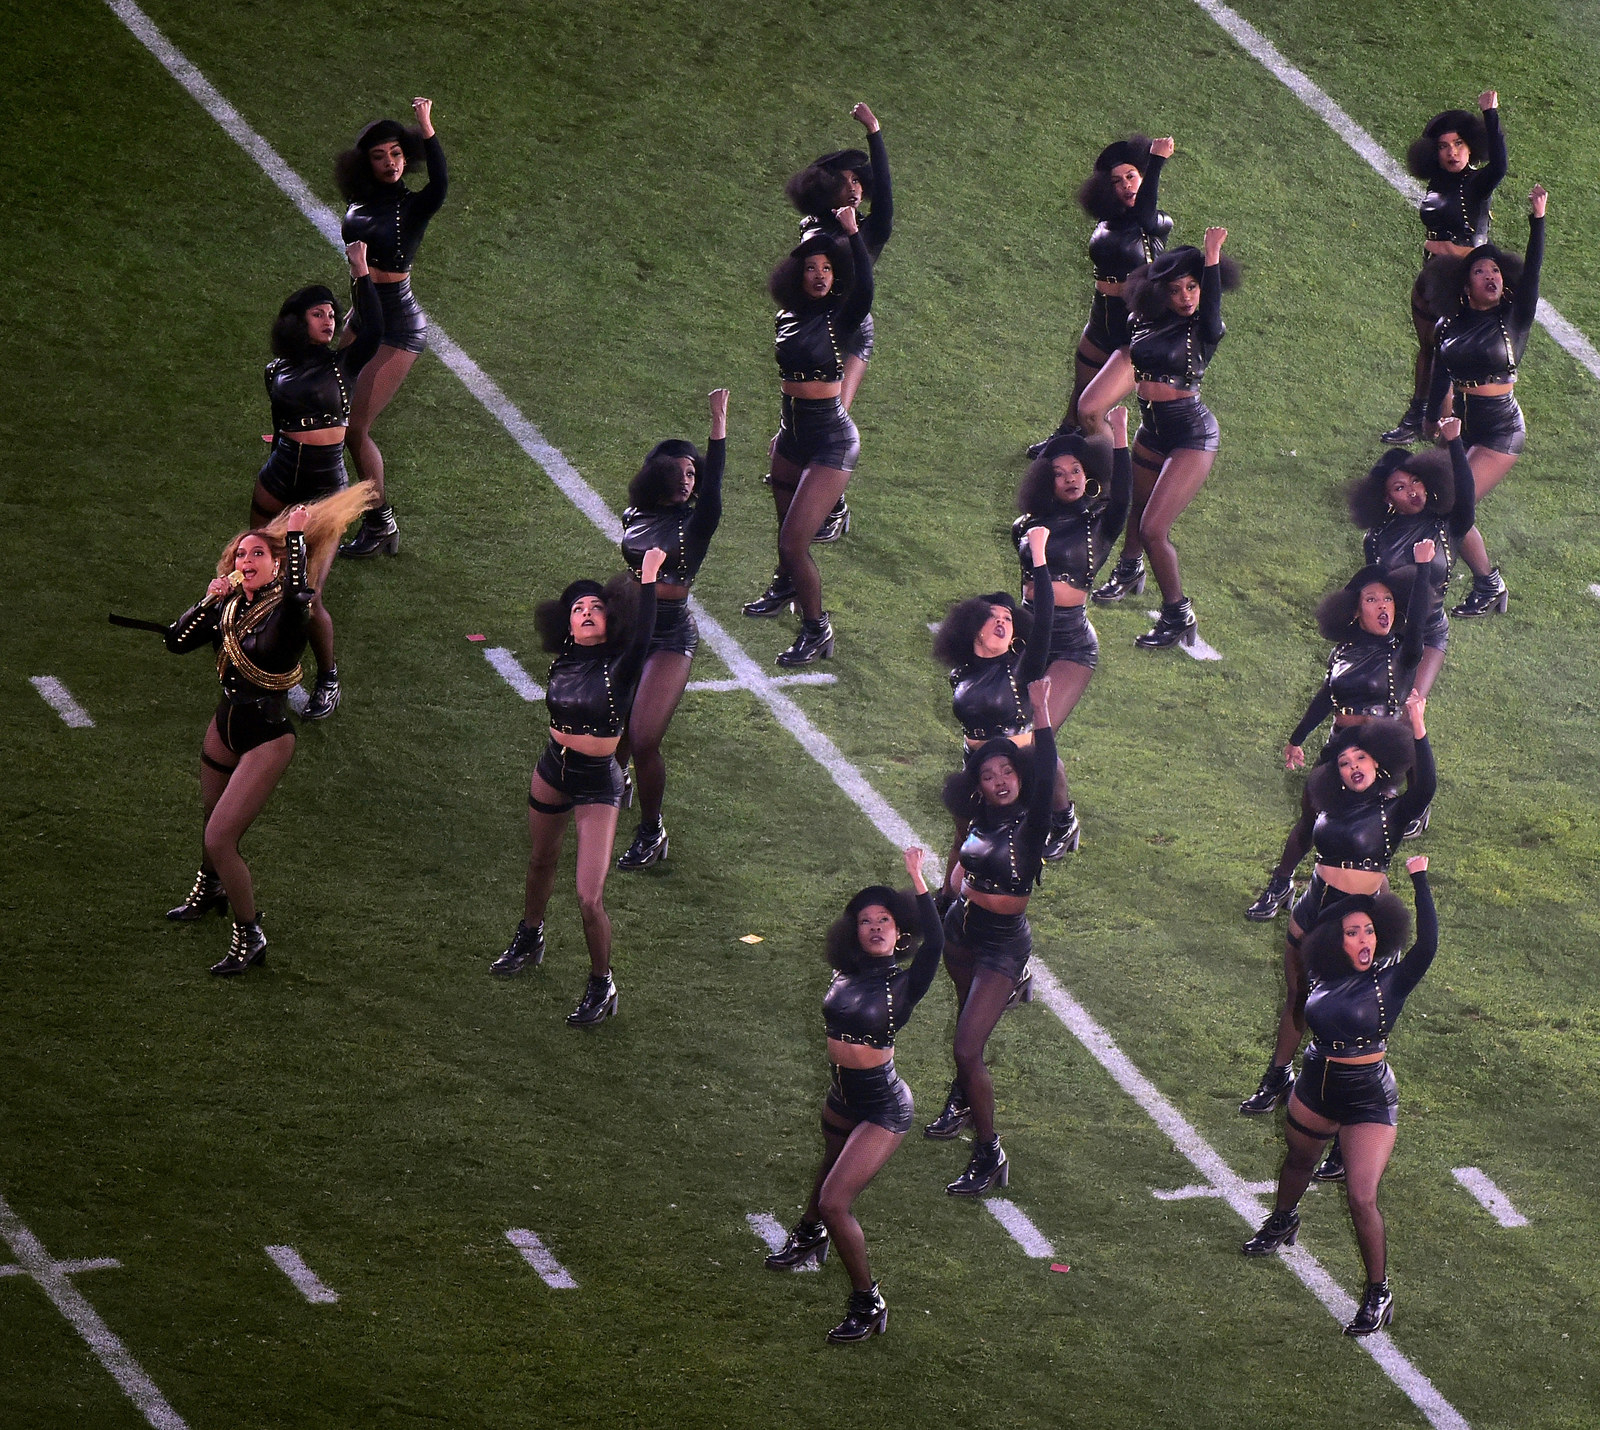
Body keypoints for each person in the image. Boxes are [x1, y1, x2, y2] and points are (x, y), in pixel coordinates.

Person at [163, 485, 376, 973]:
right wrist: (207, 598)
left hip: (267, 736)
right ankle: (210, 888)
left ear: (276, 564)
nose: (248, 558)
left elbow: (303, 595)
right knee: (210, 817)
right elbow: (176, 642)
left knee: (221, 838)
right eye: (242, 553)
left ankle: (250, 934)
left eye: (259, 552)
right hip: (225, 724)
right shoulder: (230, 605)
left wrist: (297, 540)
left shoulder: (287, 610)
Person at [1243, 857, 1438, 1338]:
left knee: (1361, 1196)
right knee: (1296, 1163)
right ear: (1336, 940)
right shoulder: (1323, 976)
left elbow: (1428, 944)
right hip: (1316, 1083)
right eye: (1353, 932)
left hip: (1368, 1098)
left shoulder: (1391, 981)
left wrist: (1419, 879)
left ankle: (1378, 1291)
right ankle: (1282, 1221)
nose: (1364, 940)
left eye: (1369, 931)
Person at [763, 847, 941, 1344]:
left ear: (900, 932)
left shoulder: (903, 986)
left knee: (836, 1200)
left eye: (885, 919)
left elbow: (937, 944)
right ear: (854, 932)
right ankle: (808, 1234)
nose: (876, 926)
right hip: (841, 1093)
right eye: (866, 921)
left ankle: (869, 1302)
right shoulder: (845, 973)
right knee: (826, 1169)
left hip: (883, 1106)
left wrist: (918, 880)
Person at [490, 547, 667, 1024]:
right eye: (577, 609)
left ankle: (601, 983)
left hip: (597, 783)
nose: (586, 612)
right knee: (539, 860)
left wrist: (649, 580)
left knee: (589, 898)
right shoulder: (563, 660)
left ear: (611, 620)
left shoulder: (622, 667)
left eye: (595, 607)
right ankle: (530, 935)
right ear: (566, 625)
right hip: (553, 768)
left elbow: (647, 632)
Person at [1240, 690, 1434, 1117]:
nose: (1353, 768)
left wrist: (1417, 726)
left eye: (1361, 759)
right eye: (1345, 763)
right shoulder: (1329, 803)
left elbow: (1426, 789)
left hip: (1359, 922)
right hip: (1312, 908)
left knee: (1353, 1018)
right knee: (1298, 996)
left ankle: (1355, 1117)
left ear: (1379, 762)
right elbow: (1308, 835)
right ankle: (1278, 1076)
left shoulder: (1393, 812)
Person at [1245, 542, 1434, 924]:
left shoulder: (1404, 651)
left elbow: (1418, 624)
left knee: (1370, 841)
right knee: (1311, 819)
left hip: (1379, 752)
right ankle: (1281, 885)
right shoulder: (1343, 651)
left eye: (1387, 599)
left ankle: (1380, 922)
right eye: (1371, 599)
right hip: (1338, 746)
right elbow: (1326, 697)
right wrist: (1297, 738)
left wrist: (1424, 568)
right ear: (1355, 609)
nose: (1383, 606)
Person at [1078, 229, 1239, 646]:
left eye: (1193, 287)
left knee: (1153, 529)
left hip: (1191, 435)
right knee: (1134, 507)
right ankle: (1129, 571)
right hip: (1153, 429)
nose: (1187, 297)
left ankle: (1177, 615)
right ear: (1159, 293)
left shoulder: (1206, 328)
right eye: (1176, 290)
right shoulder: (1143, 322)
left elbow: (1213, 303)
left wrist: (1212, 257)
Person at [931, 678, 1055, 1192]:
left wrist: (1042, 709)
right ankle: (963, 1100)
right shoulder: (979, 816)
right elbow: (962, 863)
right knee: (965, 1024)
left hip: (1003, 942)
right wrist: (941, 900)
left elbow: (1045, 766)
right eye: (989, 774)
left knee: (965, 1047)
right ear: (977, 784)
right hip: (962, 928)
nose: (1000, 779)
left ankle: (989, 1153)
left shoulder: (1032, 822)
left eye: (1007, 771)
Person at [741, 207, 874, 665]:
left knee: (794, 543)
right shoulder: (785, 315)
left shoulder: (842, 315)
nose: (819, 275)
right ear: (798, 273)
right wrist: (782, 435)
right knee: (784, 531)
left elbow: (866, 287)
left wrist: (854, 234)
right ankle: (783, 586)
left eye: (827, 268)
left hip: (831, 440)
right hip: (792, 431)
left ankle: (817, 629)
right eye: (812, 267)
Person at [256, 243, 382, 719]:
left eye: (333, 313)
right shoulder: (275, 371)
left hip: (326, 494)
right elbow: (278, 432)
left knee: (306, 596)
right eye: (318, 313)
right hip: (277, 481)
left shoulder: (342, 363)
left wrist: (360, 271)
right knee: (257, 568)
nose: (329, 320)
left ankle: (328, 678)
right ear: (297, 321)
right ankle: (255, 648)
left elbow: (372, 326)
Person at [614, 389, 729, 869]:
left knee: (643, 738)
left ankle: (651, 830)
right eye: (678, 471)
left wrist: (718, 425)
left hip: (670, 638)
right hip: (629, 626)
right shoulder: (636, 515)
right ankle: (610, 785)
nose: (687, 480)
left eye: (692, 473)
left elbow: (716, 485)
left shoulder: (696, 522)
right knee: (611, 721)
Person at [1421, 184, 1547, 616]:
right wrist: (1430, 419)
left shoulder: (1515, 318)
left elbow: (1532, 272)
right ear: (1465, 284)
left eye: (1495, 270)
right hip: (1464, 425)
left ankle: (1485, 583)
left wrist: (1538, 220)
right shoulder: (1449, 326)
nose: (1491, 275)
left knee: (1454, 505)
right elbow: (1440, 376)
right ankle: (1466, 581)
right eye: (1480, 271)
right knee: (1440, 502)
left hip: (1500, 430)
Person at [1013, 410, 1133, 852]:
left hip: (1072, 645)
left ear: (1089, 476)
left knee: (1033, 733)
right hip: (1030, 636)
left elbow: (1123, 499)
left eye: (1077, 470)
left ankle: (1063, 821)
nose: (1069, 478)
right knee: (1012, 734)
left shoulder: (1099, 524)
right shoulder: (1023, 528)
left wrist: (1119, 434)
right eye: (1060, 472)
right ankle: (1029, 806)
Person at [334, 97, 449, 558]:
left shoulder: (413, 209)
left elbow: (440, 183)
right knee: (335, 414)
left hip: (397, 327)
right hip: (363, 315)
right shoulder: (358, 203)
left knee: (354, 429)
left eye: (398, 154)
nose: (390, 163)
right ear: (365, 163)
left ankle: (381, 523)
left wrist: (426, 127)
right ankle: (344, 496)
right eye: (380, 156)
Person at [1028, 135, 1175, 455]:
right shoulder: (1110, 219)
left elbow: (1147, 216)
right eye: (1117, 180)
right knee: (1078, 397)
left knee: (1091, 411)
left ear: (1144, 177)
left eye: (1132, 176)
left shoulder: (1157, 223)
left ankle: (1115, 479)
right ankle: (1064, 440)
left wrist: (1157, 161)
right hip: (1102, 317)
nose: (1126, 185)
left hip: (1136, 330)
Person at [786, 102, 891, 542]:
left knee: (835, 419)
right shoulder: (814, 226)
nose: (856, 189)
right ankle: (814, 490)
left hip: (850, 332)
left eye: (858, 182)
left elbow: (885, 196)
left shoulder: (867, 230)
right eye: (847, 181)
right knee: (806, 426)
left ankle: (834, 506)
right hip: (815, 334)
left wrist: (874, 131)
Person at [1383, 93, 1506, 445]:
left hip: (1459, 282)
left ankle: (1444, 428)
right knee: (1427, 348)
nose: (1452, 152)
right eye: (1444, 146)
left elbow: (1499, 167)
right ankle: (1416, 418)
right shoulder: (1437, 181)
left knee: (1446, 355)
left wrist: (1491, 115)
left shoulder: (1476, 183)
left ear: (1471, 148)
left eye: (1459, 144)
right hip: (1431, 277)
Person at [1347, 417, 1478, 702]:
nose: (1412, 491)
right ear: (1386, 499)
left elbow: (1467, 498)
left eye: (1415, 481)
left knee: (1411, 707)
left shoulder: (1447, 525)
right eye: (1400, 488)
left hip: (1430, 632)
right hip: (1392, 634)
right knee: (1379, 709)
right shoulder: (1376, 539)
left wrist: (1455, 442)